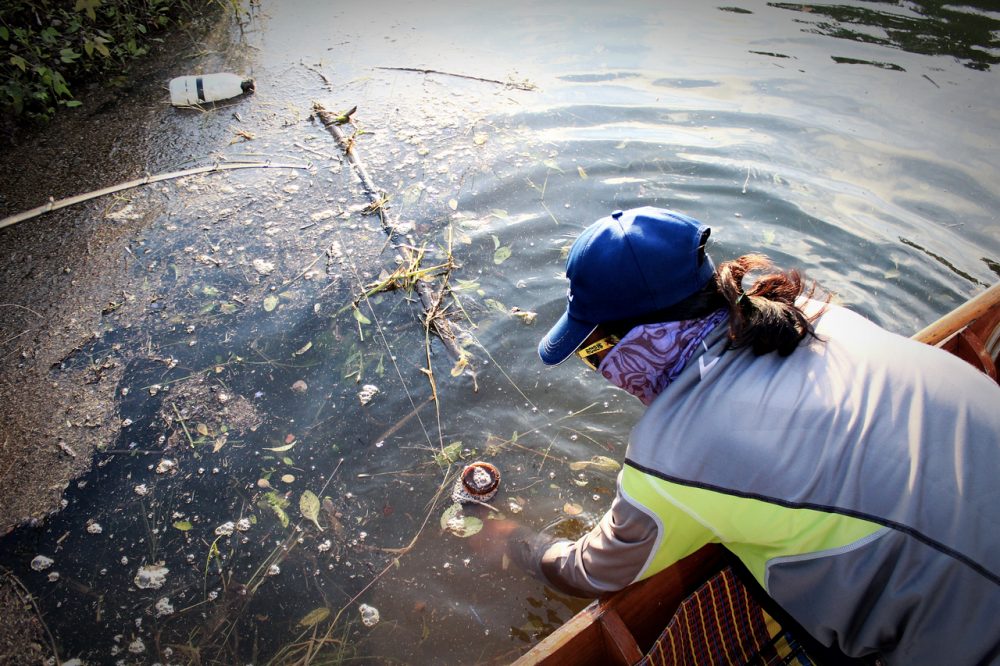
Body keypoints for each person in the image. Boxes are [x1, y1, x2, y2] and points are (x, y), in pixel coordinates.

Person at [472, 207, 1000, 665]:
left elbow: (593, 570)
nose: (602, 371)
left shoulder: (674, 455)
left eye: (594, 353)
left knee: (745, 557)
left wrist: (516, 544)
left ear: (642, 341)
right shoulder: (819, 317)